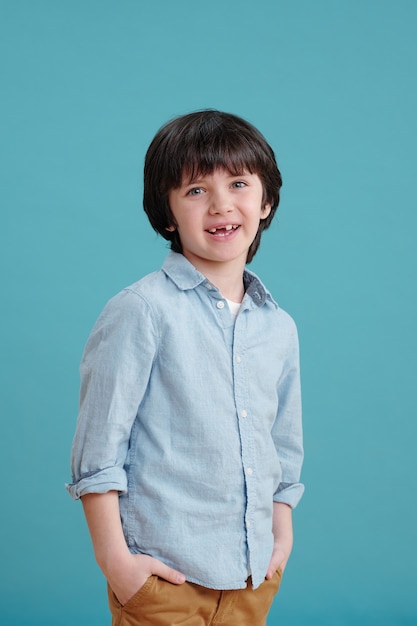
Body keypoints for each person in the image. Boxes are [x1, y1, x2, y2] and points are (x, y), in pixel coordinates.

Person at [67, 109, 304, 626]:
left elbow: (283, 447)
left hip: (251, 578)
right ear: (167, 213)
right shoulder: (141, 310)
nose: (221, 205)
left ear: (265, 203)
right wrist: (119, 566)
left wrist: (280, 537)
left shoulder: (278, 326)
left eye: (239, 184)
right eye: (196, 190)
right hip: (163, 580)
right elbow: (99, 452)